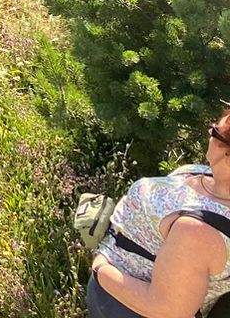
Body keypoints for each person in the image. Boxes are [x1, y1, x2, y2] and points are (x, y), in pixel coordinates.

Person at [87, 107, 230, 317]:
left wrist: (100, 268)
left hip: (122, 304)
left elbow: (166, 310)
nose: (210, 131)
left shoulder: (197, 232)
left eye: (215, 130)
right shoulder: (208, 176)